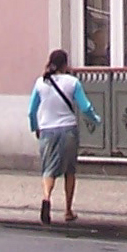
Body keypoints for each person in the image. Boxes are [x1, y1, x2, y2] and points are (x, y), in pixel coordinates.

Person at [27, 48, 100, 225]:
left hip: (47, 130)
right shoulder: (72, 82)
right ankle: (68, 210)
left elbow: (31, 111)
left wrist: (35, 127)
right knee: (69, 170)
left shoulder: (40, 83)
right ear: (65, 64)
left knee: (48, 169)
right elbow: (85, 107)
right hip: (68, 130)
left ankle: (46, 197)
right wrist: (96, 120)